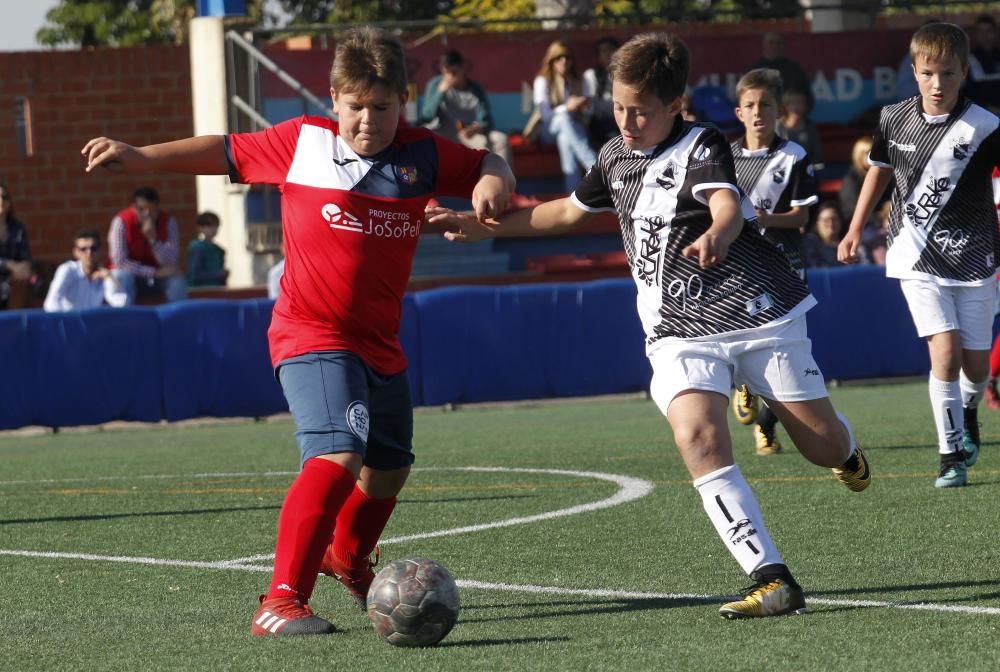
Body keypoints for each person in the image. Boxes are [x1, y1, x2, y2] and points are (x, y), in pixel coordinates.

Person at [82, 26, 514, 636]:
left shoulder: (424, 153)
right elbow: (223, 150)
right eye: (356, 107)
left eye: (382, 108)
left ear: (405, 101)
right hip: (311, 332)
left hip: (380, 343)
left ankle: (347, 555)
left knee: (388, 469)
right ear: (334, 98)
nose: (368, 120)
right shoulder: (300, 142)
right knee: (339, 453)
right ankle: (281, 600)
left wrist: (493, 181)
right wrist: (141, 156)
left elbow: (488, 162)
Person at [429, 32, 870, 620]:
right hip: (677, 329)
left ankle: (845, 450)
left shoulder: (704, 143)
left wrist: (717, 234)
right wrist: (487, 228)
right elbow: (563, 211)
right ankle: (770, 577)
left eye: (640, 109)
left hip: (757, 311)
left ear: (674, 105)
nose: (627, 120)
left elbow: (727, 205)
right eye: (618, 106)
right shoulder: (614, 156)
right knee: (697, 436)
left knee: (821, 445)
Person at [838, 22, 1000, 488]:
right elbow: (878, 172)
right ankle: (950, 455)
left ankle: (968, 413)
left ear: (964, 73)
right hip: (914, 253)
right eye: (928, 73)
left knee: (976, 365)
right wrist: (854, 228)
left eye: (948, 74)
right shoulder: (893, 118)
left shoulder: (985, 125)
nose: (937, 83)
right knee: (944, 354)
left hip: (974, 257)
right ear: (913, 71)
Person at [727, 68, 819, 456]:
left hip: (785, 265)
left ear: (780, 110)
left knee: (785, 350)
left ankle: (766, 425)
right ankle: (743, 384)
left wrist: (763, 219)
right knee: (739, 339)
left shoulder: (794, 156)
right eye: (750, 105)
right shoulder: (725, 158)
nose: (758, 112)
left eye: (765, 104)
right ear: (739, 113)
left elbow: (802, 217)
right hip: (739, 268)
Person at [419, 48, 512, 166]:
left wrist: (477, 128)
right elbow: (426, 116)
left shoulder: (475, 90)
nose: (450, 76)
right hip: (444, 134)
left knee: (501, 140)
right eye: (445, 72)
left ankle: (504, 182)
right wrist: (440, 93)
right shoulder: (436, 85)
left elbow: (487, 121)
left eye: (454, 72)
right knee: (424, 138)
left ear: (463, 67)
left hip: (469, 135)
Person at [533, 40, 597, 193]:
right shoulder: (543, 81)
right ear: (551, 60)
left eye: (567, 58)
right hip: (548, 130)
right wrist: (566, 108)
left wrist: (583, 106)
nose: (564, 61)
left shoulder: (580, 80)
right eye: (559, 58)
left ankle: (573, 193)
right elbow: (546, 115)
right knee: (563, 119)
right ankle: (597, 167)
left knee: (565, 139)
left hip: (574, 129)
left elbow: (590, 113)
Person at [108, 187, 187, 304]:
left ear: (158, 208)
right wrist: (153, 272)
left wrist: (154, 240)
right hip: (133, 275)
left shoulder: (169, 222)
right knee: (120, 276)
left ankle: (178, 319)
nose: (147, 214)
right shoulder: (121, 222)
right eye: (141, 209)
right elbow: (120, 261)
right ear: (133, 207)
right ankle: (125, 318)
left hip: (159, 277)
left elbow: (171, 261)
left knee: (177, 280)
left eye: (152, 210)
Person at [43, 230, 124, 311]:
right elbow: (51, 303)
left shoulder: (104, 274)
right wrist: (63, 320)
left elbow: (122, 305)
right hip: (69, 321)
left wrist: (109, 278)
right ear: (76, 252)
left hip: (93, 322)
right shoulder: (67, 270)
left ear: (100, 251)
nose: (89, 252)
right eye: (83, 249)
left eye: (93, 248)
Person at [746, 33, 813, 112]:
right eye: (771, 42)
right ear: (764, 45)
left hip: (790, 118)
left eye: (779, 43)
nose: (775, 46)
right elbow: (746, 99)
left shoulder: (795, 70)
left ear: (784, 45)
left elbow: (808, 98)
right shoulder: (753, 71)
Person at [838, 136, 891, 230]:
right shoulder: (850, 180)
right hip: (862, 227)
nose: (873, 155)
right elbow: (850, 209)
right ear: (858, 155)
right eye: (868, 153)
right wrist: (877, 219)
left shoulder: (885, 175)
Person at [582, 36, 621, 150]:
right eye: (603, 51)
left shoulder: (626, 75)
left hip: (621, 119)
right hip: (599, 122)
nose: (608, 54)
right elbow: (590, 106)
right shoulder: (591, 75)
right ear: (598, 56)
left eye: (611, 49)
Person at [0, 182, 32, 310]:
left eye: (5, 197)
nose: (1, 200)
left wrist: (15, 268)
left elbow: (25, 262)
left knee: (20, 286)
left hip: (12, 282)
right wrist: (8, 265)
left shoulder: (17, 229)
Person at [776, 89, 824, 171]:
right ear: (785, 106)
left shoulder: (810, 127)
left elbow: (817, 155)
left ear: (805, 106)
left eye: (799, 102)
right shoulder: (777, 126)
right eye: (792, 103)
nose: (796, 107)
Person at [967, 14, 1000, 114]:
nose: (985, 35)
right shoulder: (968, 59)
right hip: (982, 113)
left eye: (989, 30)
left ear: (996, 32)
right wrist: (986, 107)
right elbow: (968, 93)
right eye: (980, 31)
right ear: (975, 34)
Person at [186, 211, 228, 287]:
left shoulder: (218, 250)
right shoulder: (197, 248)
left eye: (216, 225)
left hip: (217, 290)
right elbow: (195, 274)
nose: (213, 229)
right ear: (200, 228)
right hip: (201, 291)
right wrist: (219, 274)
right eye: (209, 226)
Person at [803, 202, 845, 268]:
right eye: (825, 220)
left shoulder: (850, 245)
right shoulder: (809, 245)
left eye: (834, 219)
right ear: (817, 224)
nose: (831, 223)